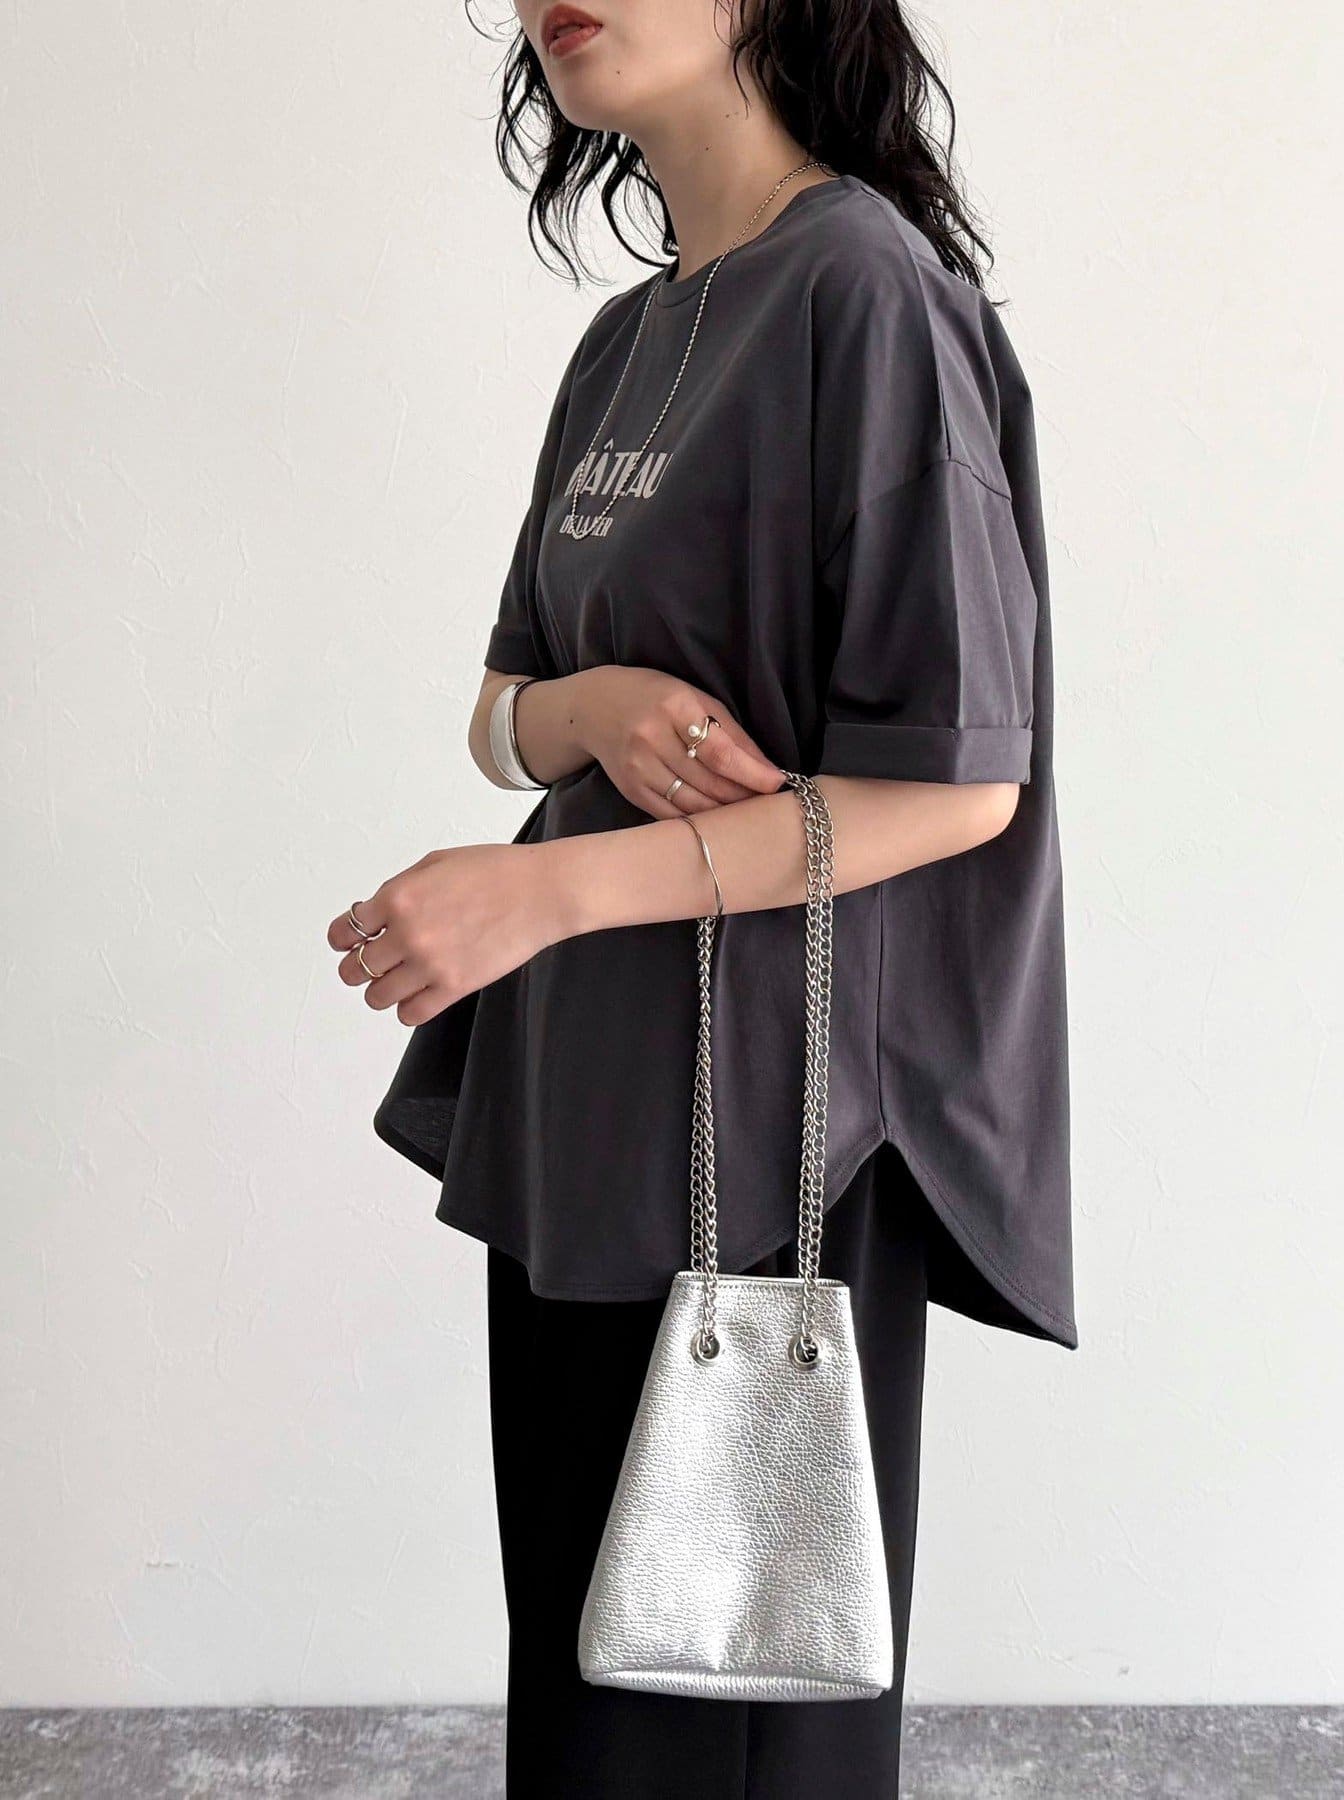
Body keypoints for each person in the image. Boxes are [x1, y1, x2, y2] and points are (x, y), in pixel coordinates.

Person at [326, 0, 1076, 1792]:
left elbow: (958, 782)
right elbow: (503, 712)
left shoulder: (867, 294)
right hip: (587, 1110)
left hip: (771, 1132)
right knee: (590, 1694)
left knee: (726, 1732)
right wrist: (594, 710)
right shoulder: (630, 337)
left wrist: (544, 898)